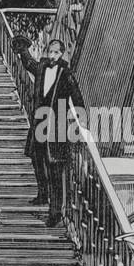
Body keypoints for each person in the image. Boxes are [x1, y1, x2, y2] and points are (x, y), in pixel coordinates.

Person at [12, 32, 84, 227]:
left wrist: (80, 119)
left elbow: (76, 97)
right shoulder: (42, 67)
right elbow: (29, 64)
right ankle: (42, 195)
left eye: (56, 53)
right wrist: (22, 49)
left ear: (62, 54)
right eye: (50, 52)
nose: (52, 56)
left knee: (54, 169)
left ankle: (55, 212)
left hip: (57, 125)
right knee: (37, 158)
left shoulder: (66, 74)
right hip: (41, 121)